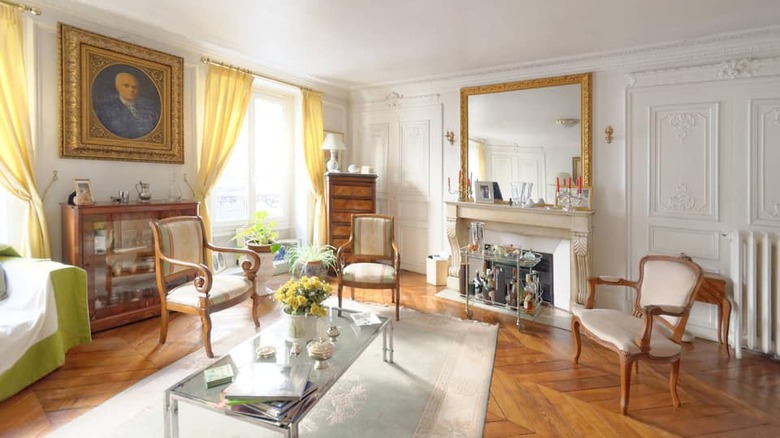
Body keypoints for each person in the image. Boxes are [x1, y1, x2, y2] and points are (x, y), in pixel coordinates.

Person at [94, 72, 160, 139]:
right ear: (117, 87)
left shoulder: (149, 108)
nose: (131, 90)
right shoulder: (105, 109)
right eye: (126, 86)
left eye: (134, 87)